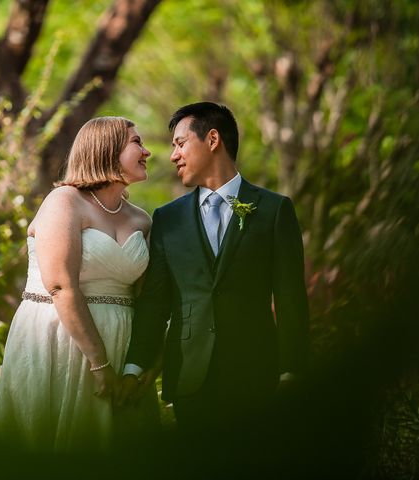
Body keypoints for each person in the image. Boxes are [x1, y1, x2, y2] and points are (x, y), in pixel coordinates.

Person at [119, 102, 309, 449]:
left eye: (179, 143)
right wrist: (135, 365)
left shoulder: (274, 209)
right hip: (192, 378)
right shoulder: (167, 219)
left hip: (258, 375)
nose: (173, 155)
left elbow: (290, 296)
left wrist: (292, 370)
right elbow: (155, 301)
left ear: (212, 139)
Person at [0, 116, 160, 454]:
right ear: (107, 148)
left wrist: (142, 364)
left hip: (121, 342)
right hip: (60, 340)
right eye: (136, 143)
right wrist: (99, 363)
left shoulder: (141, 218)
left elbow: (146, 297)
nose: (147, 151)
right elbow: (60, 285)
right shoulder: (65, 201)